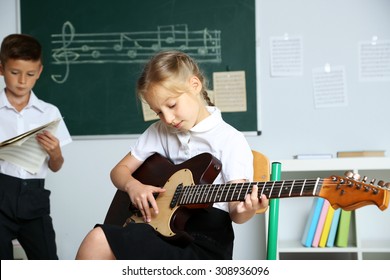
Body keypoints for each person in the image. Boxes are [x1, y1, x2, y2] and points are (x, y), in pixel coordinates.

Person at [75, 50, 268, 260]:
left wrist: (247, 209)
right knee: (97, 239)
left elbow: (237, 214)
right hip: (157, 230)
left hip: (203, 243)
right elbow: (118, 172)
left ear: (195, 85)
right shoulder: (160, 131)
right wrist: (134, 186)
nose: (167, 118)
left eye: (172, 105)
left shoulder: (230, 139)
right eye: (158, 111)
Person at [0, 34, 72, 260]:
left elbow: (56, 166)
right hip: (1, 195)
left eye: (30, 74)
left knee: (48, 262)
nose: (22, 81)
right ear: (1, 69)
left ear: (39, 72)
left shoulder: (49, 112)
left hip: (35, 197)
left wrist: (55, 153)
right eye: (15, 73)